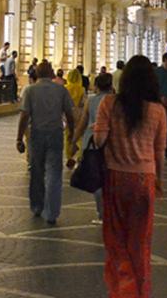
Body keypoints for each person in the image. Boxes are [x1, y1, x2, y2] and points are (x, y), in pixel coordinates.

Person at [93, 55, 166, 298]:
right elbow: (159, 152)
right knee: (140, 241)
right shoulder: (158, 111)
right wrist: (159, 181)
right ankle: (140, 291)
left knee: (116, 240)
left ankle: (121, 290)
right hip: (144, 180)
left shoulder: (109, 104)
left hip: (115, 180)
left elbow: (99, 140)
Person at [17, 61, 75, 225]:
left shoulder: (30, 90)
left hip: (36, 134)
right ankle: (51, 212)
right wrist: (71, 134)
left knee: (37, 172)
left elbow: (24, 116)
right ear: (51, 74)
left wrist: (19, 138)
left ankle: (37, 206)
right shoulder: (61, 90)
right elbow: (69, 114)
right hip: (56, 134)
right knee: (54, 173)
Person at [70, 72, 113, 224]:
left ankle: (102, 213)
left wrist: (73, 141)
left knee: (96, 178)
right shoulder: (115, 100)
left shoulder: (91, 101)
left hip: (92, 143)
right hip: (111, 143)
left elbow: (82, 123)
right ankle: (111, 211)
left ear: (96, 86)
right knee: (110, 177)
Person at [65, 68, 87, 169]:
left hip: (67, 114)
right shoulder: (81, 89)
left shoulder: (65, 88)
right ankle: (78, 156)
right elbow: (84, 103)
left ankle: (69, 155)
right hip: (78, 115)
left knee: (68, 136)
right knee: (79, 136)